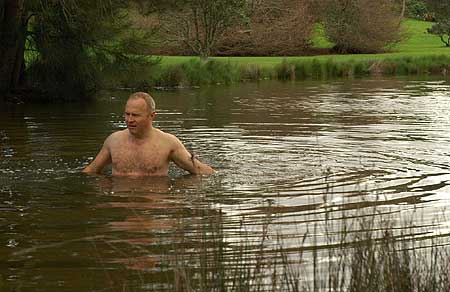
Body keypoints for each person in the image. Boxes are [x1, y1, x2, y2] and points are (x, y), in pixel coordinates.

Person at [83, 92, 215, 176]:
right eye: (127, 114)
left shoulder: (168, 143)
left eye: (135, 115)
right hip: (123, 206)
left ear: (151, 116)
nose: (129, 120)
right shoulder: (114, 141)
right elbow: (91, 171)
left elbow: (198, 169)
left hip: (153, 206)